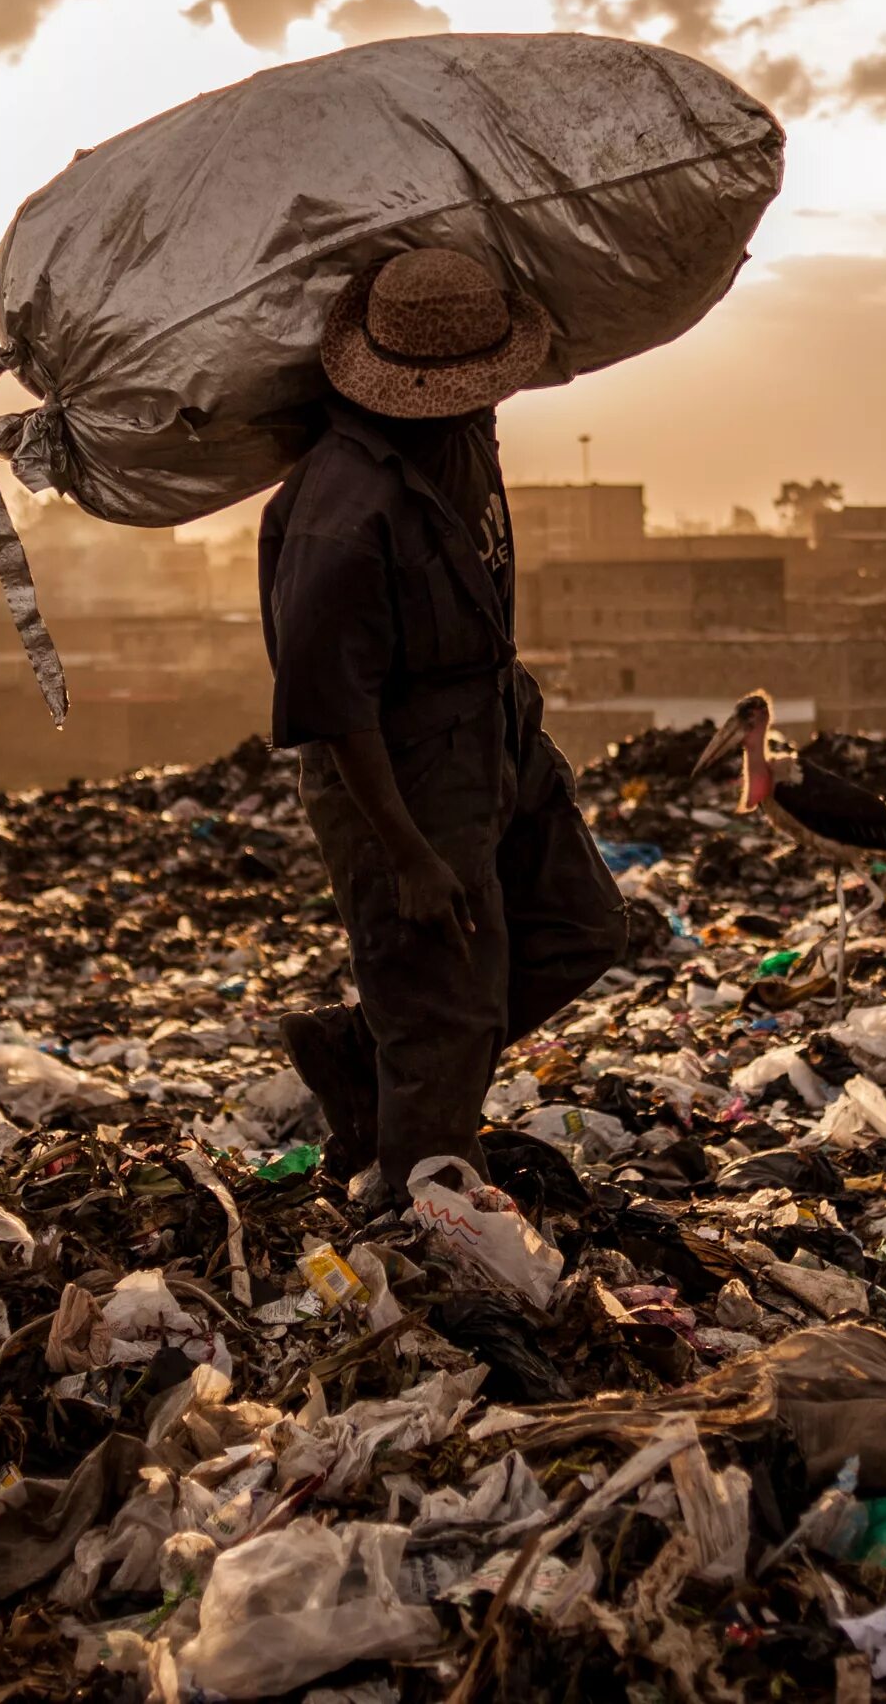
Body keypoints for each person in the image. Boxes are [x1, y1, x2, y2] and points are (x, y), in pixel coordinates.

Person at [260, 247, 627, 1204]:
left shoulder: (462, 435)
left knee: (585, 923)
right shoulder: (340, 515)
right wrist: (408, 855)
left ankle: (360, 1052)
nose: (485, 399)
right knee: (443, 1010)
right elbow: (331, 713)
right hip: (401, 779)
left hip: (495, 730)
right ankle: (420, 1216)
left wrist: (518, 748)